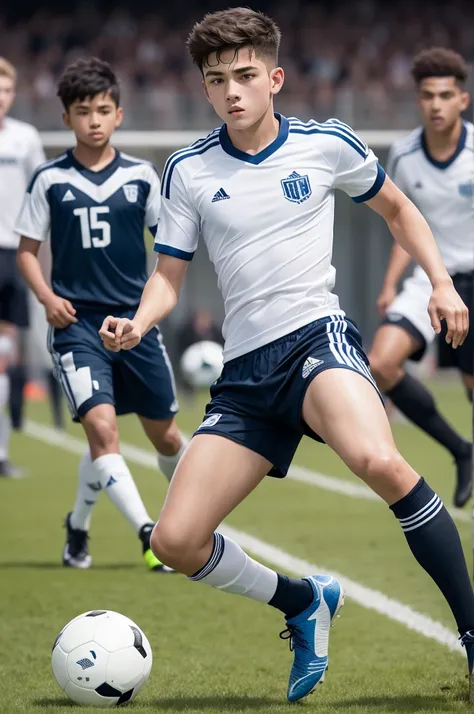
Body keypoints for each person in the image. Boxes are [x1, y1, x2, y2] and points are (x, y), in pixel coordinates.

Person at [100, 8, 474, 703]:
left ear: (274, 78)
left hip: (316, 340)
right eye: (217, 80)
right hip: (245, 378)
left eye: (245, 75)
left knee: (379, 461)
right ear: (205, 90)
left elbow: (399, 211)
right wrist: (139, 322)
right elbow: (168, 277)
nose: (232, 90)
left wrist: (441, 282)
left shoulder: (325, 144)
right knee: (178, 541)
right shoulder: (187, 169)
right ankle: (303, 602)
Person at [16, 57, 187, 571]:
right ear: (66, 117)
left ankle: (80, 525)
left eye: (103, 110)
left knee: (169, 438)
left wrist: (150, 310)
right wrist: (48, 299)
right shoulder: (49, 180)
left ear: (119, 114)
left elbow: (171, 248)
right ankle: (150, 534)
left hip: (136, 328)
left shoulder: (140, 176)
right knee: (103, 431)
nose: (94, 119)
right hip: (78, 329)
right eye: (83, 111)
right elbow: (25, 250)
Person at [368, 48, 473, 508]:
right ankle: (460, 451)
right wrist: (391, 285)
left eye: (445, 95)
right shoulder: (405, 155)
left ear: (463, 100)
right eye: (428, 95)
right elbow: (401, 226)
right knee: (382, 364)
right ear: (418, 100)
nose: (436, 104)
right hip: (431, 280)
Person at [0, 57, 46, 477]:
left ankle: (3, 447)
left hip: (13, 251)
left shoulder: (25, 138)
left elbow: (40, 196)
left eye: (6, 90)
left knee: (6, 350)